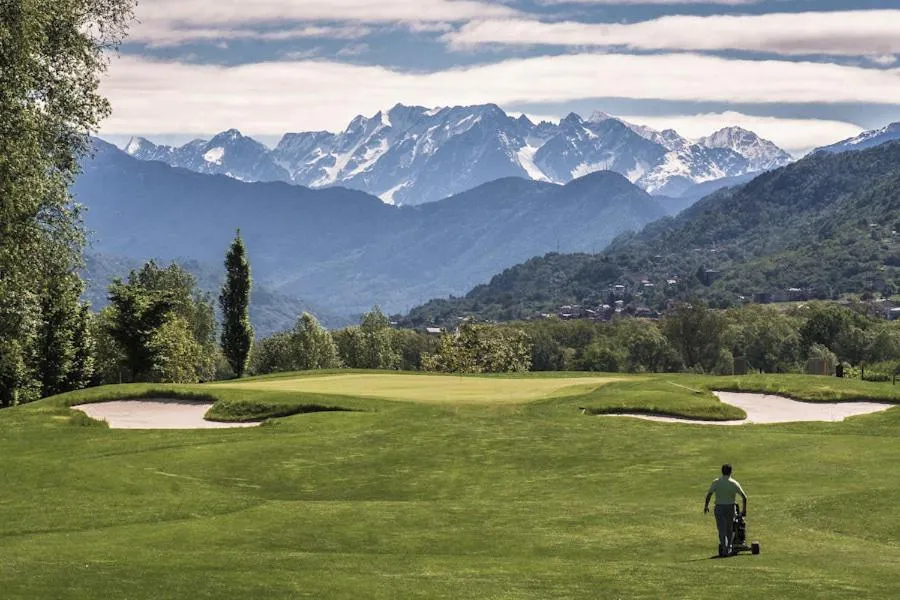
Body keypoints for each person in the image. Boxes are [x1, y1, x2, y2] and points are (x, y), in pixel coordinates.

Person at [704, 464, 748, 557]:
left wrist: (706, 506)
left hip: (719, 507)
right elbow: (744, 497)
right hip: (730, 507)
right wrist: (744, 510)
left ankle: (725, 549)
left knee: (721, 529)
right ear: (731, 471)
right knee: (729, 529)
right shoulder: (734, 483)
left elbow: (709, 494)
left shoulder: (716, 482)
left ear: (722, 471)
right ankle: (729, 548)